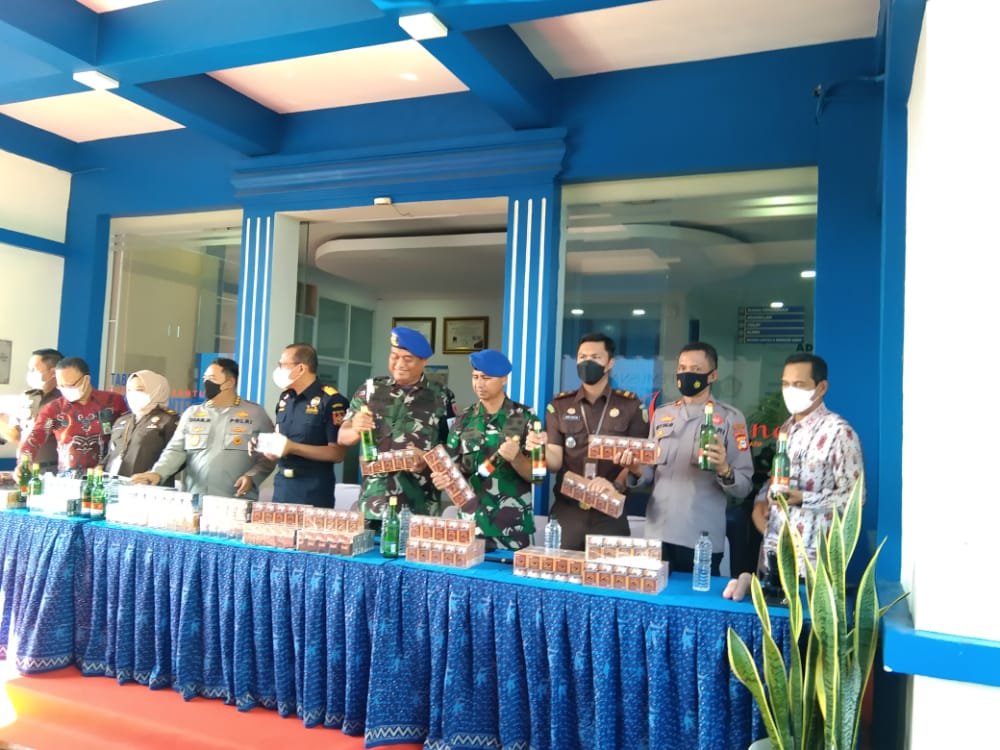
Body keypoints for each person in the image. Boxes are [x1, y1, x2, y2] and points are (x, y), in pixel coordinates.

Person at [630, 342, 753, 575]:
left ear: (712, 375)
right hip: (657, 534)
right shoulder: (662, 415)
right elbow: (648, 472)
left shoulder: (731, 419)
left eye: (696, 369)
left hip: (700, 538)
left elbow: (744, 487)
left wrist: (724, 469)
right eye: (682, 368)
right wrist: (636, 470)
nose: (687, 374)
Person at [525, 333, 648, 550]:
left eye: (595, 357)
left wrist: (614, 485)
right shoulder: (560, 405)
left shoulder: (630, 406)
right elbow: (555, 463)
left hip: (610, 511)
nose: (587, 362)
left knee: (606, 571)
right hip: (568, 511)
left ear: (610, 363)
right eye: (582, 357)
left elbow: (638, 460)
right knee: (561, 569)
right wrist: (540, 448)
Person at [751, 353, 865, 571]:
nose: (790, 391)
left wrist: (803, 498)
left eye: (799, 384)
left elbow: (855, 500)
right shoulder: (787, 429)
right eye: (785, 384)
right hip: (772, 553)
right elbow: (777, 479)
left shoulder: (839, 433)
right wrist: (760, 503)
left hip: (811, 562)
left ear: (821, 388)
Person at [338, 326, 456, 521]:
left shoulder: (441, 397)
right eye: (394, 356)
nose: (399, 364)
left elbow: (452, 448)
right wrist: (356, 428)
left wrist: (426, 459)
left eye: (408, 359)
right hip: (372, 503)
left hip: (419, 506)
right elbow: (343, 437)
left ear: (423, 361)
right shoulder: (370, 390)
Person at [432, 349, 536, 550]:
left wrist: (517, 458)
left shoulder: (526, 418)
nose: (479, 384)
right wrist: (445, 479)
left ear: (504, 379)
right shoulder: (463, 420)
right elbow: (453, 468)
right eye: (475, 377)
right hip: (470, 527)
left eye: (486, 378)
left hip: (512, 529)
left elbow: (538, 476)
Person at [131, 358, 274, 498]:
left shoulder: (255, 414)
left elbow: (270, 456)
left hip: (236, 500)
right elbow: (175, 450)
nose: (206, 383)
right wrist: (157, 473)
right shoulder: (192, 413)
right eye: (205, 378)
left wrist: (252, 477)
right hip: (196, 498)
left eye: (212, 378)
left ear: (229, 382)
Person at [258, 343, 348, 507]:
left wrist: (293, 448)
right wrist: (267, 446)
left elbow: (337, 453)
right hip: (282, 487)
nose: (278, 370)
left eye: (282, 365)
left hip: (313, 491)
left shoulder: (331, 400)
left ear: (300, 369)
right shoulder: (285, 398)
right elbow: (281, 442)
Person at [20, 356, 128, 474]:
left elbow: (127, 433)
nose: (65, 389)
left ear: (86, 379)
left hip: (105, 475)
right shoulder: (55, 408)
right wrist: (24, 462)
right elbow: (36, 435)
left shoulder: (113, 402)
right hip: (68, 478)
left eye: (70, 385)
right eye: (61, 386)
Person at [105, 370, 179, 479]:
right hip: (115, 483)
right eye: (129, 390)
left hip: (149, 485)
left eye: (139, 390)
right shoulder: (122, 420)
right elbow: (111, 452)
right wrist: (101, 465)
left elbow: (177, 456)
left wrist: (155, 475)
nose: (133, 394)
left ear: (155, 390)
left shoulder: (168, 421)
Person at [0, 348, 63, 472]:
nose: (30, 373)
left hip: (50, 469)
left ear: (53, 372)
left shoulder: (63, 400)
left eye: (34, 369)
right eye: (29, 369)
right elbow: (16, 435)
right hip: (24, 467)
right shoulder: (28, 397)